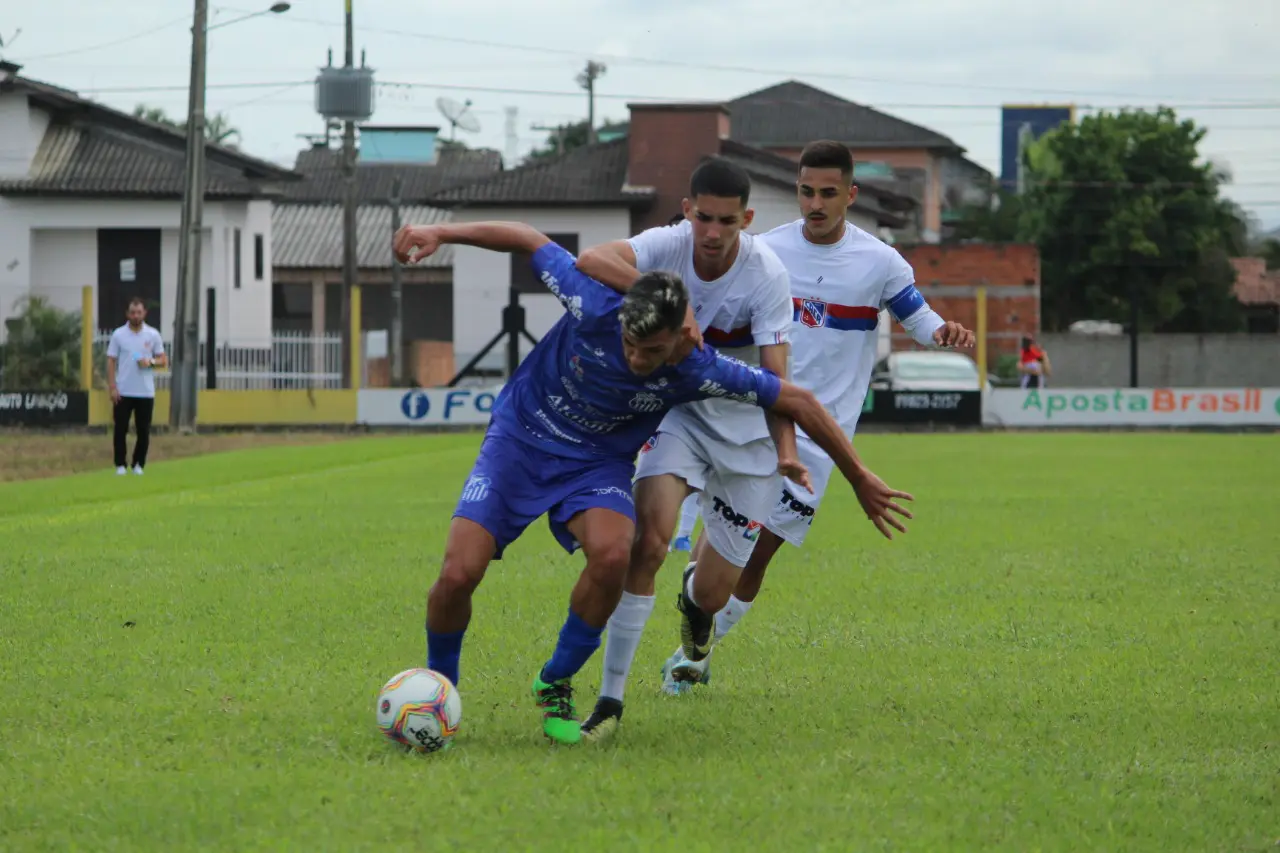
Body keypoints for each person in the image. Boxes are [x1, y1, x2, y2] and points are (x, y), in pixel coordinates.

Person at [392, 218, 913, 746]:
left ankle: (555, 682)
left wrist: (858, 476)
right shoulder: (588, 302)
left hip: (596, 464)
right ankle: (441, 689)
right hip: (519, 444)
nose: (639, 360)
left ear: (680, 342)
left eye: (653, 352)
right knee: (459, 573)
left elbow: (794, 398)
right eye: (631, 346)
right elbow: (530, 238)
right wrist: (441, 232)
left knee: (616, 555)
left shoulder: (696, 368)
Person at [573, 156, 902, 741]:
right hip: (684, 420)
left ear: (746, 220)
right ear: (687, 212)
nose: (712, 233)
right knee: (646, 543)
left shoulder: (766, 275)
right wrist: (674, 304)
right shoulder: (667, 245)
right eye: (703, 218)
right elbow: (592, 260)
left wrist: (787, 452)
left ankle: (694, 612)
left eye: (727, 221)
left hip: (750, 440)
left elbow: (779, 382)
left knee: (712, 590)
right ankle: (609, 701)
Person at [657, 139, 976, 698]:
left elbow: (919, 319)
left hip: (819, 441)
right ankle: (695, 600)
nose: (815, 203)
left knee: (757, 557)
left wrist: (944, 331)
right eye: (806, 191)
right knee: (718, 558)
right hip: (749, 421)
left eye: (829, 193)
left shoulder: (879, 262)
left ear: (851, 195)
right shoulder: (767, 251)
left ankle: (692, 657)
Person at [106, 297, 167, 475]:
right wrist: (112, 386)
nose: (135, 316)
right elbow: (111, 361)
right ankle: (120, 465)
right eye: (132, 312)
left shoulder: (152, 335)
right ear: (127, 314)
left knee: (143, 430)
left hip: (145, 391)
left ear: (144, 313)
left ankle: (138, 464)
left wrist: (151, 362)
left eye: (139, 312)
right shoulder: (119, 335)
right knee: (120, 429)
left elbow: (163, 360)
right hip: (124, 390)